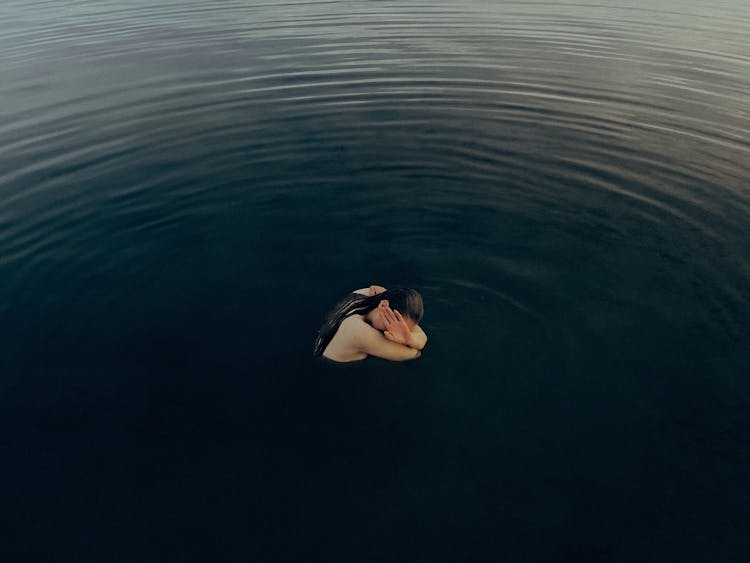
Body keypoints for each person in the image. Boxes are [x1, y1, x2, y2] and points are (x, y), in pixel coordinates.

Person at [313, 285, 428, 362]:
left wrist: (408, 338)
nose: (396, 330)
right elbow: (414, 354)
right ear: (383, 306)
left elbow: (420, 337)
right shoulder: (360, 333)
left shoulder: (366, 294)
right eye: (394, 322)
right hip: (332, 371)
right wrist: (410, 341)